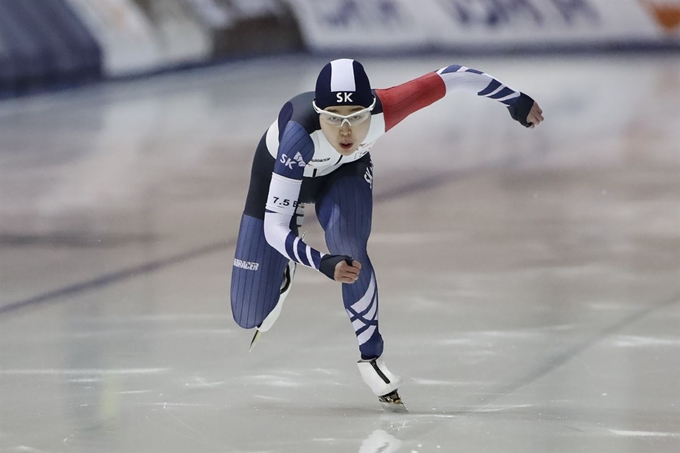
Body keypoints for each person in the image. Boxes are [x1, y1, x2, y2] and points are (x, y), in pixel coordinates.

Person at [230, 58, 544, 408]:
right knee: (249, 315)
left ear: (373, 111)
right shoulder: (297, 137)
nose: (346, 131)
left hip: (343, 174)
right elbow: (274, 228)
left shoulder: (389, 107)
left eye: (357, 117)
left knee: (350, 250)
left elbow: (454, 77)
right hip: (284, 186)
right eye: (334, 118)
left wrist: (515, 100)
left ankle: (371, 359)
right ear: (319, 115)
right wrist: (319, 262)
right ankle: (287, 265)